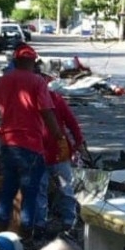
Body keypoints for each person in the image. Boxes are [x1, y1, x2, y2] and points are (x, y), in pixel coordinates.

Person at [0, 44, 64, 241]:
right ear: (32, 62)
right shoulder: (38, 81)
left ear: (15, 62)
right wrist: (58, 135)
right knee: (29, 194)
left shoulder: (2, 81)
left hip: (8, 145)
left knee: (7, 189)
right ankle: (26, 236)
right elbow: (46, 111)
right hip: (31, 146)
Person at [36, 66, 89, 235]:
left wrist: (79, 142)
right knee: (40, 189)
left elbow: (72, 123)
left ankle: (68, 221)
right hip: (39, 152)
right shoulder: (30, 102)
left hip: (59, 152)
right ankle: (40, 224)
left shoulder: (56, 100)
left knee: (65, 187)